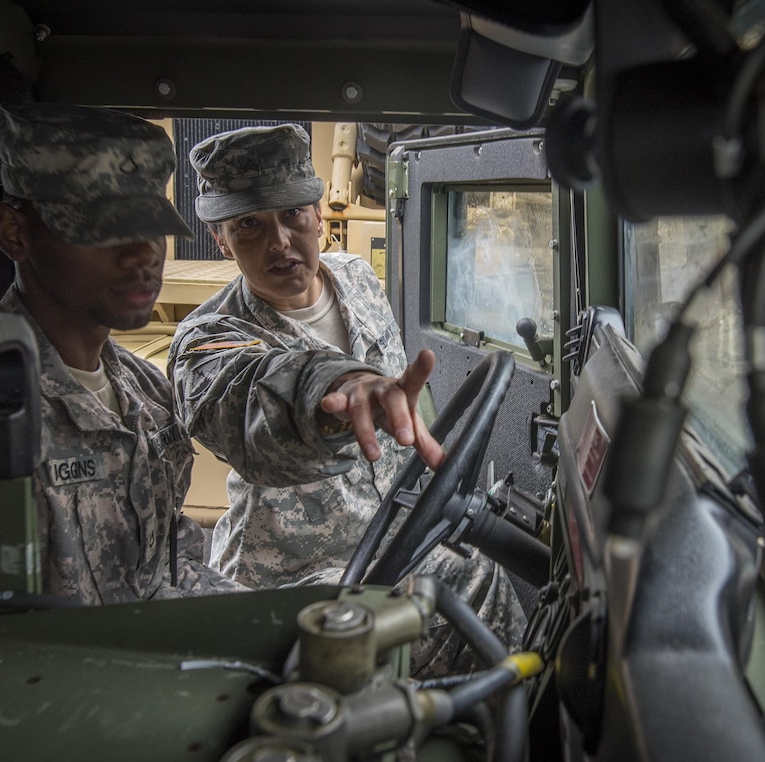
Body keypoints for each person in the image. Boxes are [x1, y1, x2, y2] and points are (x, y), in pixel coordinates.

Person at [167, 123, 527, 675]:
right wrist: (338, 387)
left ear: (316, 213)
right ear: (221, 237)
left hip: (386, 537)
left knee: (484, 577)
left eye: (292, 215)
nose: (279, 242)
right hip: (292, 576)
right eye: (249, 225)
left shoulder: (356, 277)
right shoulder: (208, 338)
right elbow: (257, 404)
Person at [0, 102, 246, 603]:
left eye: (149, 224)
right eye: (102, 227)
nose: (143, 254)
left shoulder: (146, 392)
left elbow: (168, 570)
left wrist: (268, 621)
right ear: (14, 232)